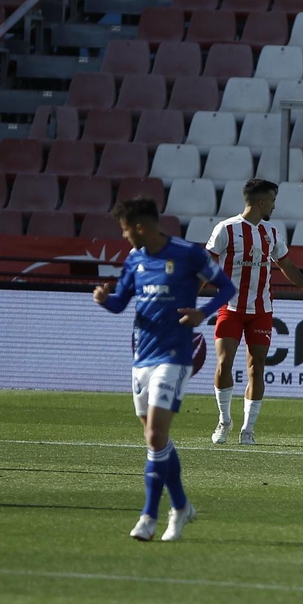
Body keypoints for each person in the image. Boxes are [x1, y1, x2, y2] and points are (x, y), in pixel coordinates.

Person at [93, 197, 236, 542]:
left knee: (155, 436)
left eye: (126, 230)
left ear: (141, 227)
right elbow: (119, 304)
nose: (125, 237)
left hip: (174, 355)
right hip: (142, 356)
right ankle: (182, 507)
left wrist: (203, 312)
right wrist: (103, 298)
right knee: (156, 440)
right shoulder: (134, 259)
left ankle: (148, 517)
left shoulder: (188, 254)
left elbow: (227, 287)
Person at [205, 178, 303, 446]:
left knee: (256, 367)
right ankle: (224, 420)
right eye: (272, 200)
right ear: (261, 202)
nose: (274, 205)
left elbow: (286, 265)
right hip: (230, 307)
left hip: (261, 310)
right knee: (224, 363)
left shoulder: (271, 232)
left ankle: (248, 429)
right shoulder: (226, 229)